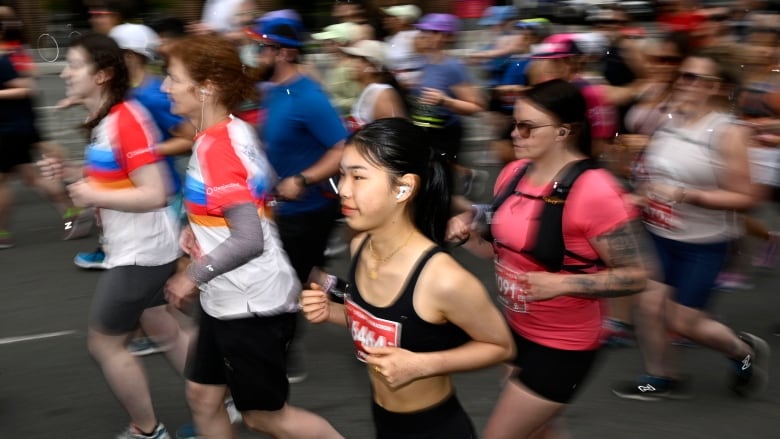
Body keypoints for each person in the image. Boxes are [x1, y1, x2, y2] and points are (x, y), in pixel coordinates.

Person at [161, 34, 343, 439]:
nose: (164, 87)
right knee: (203, 397)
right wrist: (200, 227)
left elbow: (247, 239)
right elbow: (262, 191)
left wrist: (191, 274)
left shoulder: (217, 147)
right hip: (226, 297)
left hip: (249, 303)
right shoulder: (232, 130)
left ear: (206, 86)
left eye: (172, 78)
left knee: (266, 417)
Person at [446, 79, 649, 438]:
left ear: (563, 131)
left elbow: (636, 276)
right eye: (514, 123)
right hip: (515, 330)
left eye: (527, 126)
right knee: (543, 432)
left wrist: (563, 283)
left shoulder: (596, 191)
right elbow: (501, 250)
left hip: (564, 344)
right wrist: (467, 229)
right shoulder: (514, 173)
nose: (514, 133)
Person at [301, 118, 514, 438]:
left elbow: (501, 347)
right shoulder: (360, 245)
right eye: (342, 175)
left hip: (434, 429)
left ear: (403, 188)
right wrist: (329, 312)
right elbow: (382, 324)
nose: (343, 189)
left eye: (358, 177)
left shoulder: (443, 279)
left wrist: (420, 365)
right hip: (383, 419)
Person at [46, 33, 189, 439]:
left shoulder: (125, 119)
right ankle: (222, 398)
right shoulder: (107, 119)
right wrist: (75, 175)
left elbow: (155, 192)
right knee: (165, 329)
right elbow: (115, 177)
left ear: (103, 75)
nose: (65, 72)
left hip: (140, 253)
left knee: (104, 345)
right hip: (140, 247)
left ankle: (147, 430)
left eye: (74, 65)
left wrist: (90, 192)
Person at [612, 48, 771, 401]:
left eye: (693, 77)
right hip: (660, 234)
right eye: (683, 75)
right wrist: (641, 196)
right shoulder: (671, 119)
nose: (683, 82)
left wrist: (686, 195)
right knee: (649, 306)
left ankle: (742, 352)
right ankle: (660, 377)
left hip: (705, 243)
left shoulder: (728, 131)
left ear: (716, 86)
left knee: (685, 323)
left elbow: (746, 198)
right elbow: (659, 175)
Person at [249, 16, 349, 383]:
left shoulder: (309, 97)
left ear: (284, 53)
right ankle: (352, 296)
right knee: (301, 272)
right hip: (277, 206)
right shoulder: (271, 90)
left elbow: (342, 148)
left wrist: (303, 178)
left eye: (262, 47)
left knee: (284, 280)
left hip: (308, 209)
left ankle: (286, 353)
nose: (256, 53)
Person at [0, 7, 91, 248]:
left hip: (9, 128)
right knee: (32, 177)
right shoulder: (16, 50)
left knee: (6, 182)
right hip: (20, 125)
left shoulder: (6, 54)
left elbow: (27, 86)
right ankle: (73, 213)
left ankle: (2, 234)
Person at [340, 39, 407, 132]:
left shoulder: (382, 94)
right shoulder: (370, 91)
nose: (350, 64)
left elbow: (395, 135)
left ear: (373, 67)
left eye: (359, 59)